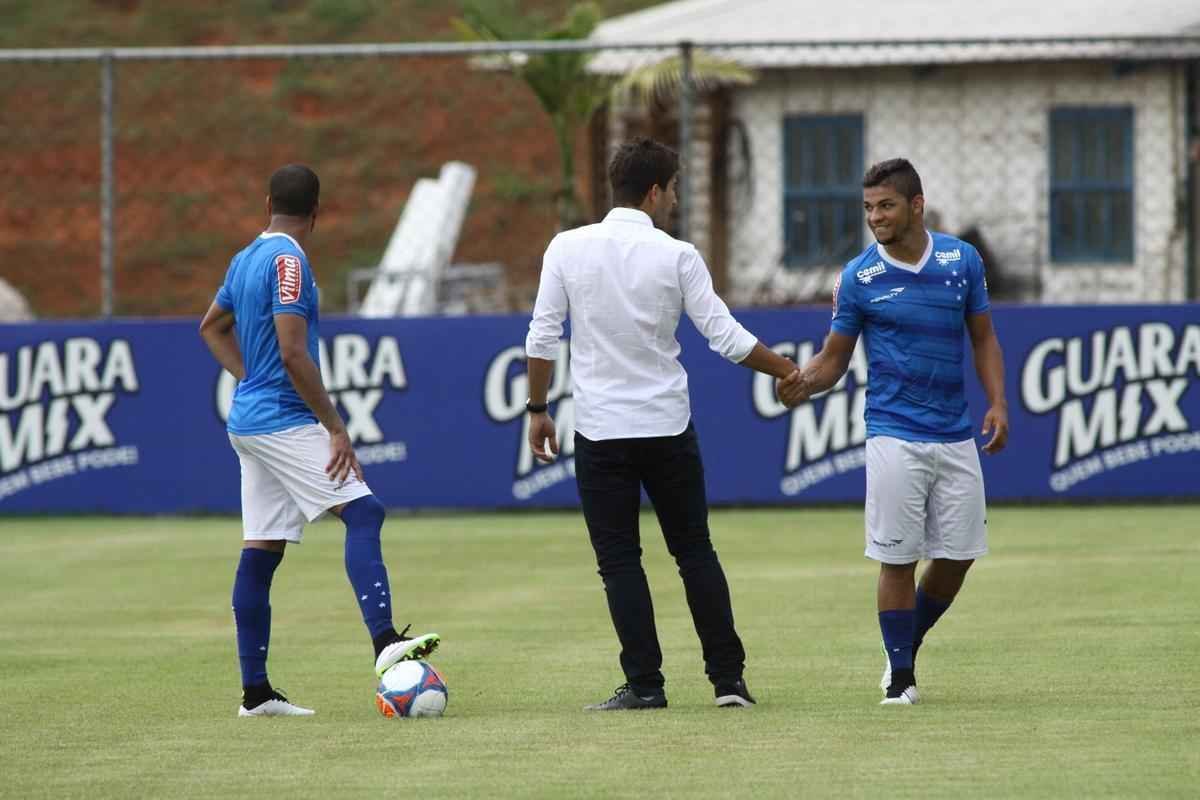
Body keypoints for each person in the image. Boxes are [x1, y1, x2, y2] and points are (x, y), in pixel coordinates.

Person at [524, 137, 803, 711]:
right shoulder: (676, 255)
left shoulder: (566, 249)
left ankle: (646, 687)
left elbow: (541, 336)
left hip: (601, 432)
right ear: (654, 192)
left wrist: (536, 409)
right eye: (673, 189)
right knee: (694, 551)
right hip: (667, 427)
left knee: (620, 561)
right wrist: (786, 370)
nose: (674, 201)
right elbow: (724, 337)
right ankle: (729, 683)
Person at [198, 164, 439, 717]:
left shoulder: (245, 257)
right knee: (365, 511)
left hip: (249, 423)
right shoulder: (289, 262)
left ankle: (256, 694)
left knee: (261, 549)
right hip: (283, 419)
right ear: (317, 213)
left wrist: (246, 378)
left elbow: (210, 327)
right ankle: (384, 645)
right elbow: (292, 352)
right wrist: (334, 425)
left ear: (267, 203)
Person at [781, 158, 1008, 706]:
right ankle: (901, 678)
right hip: (893, 432)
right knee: (898, 557)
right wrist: (805, 381)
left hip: (954, 434)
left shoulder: (962, 261)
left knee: (958, 556)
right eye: (867, 208)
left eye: (885, 205)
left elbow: (983, 339)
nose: (875, 217)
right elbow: (835, 358)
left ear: (916, 205)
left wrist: (998, 401)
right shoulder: (859, 277)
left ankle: (903, 643)